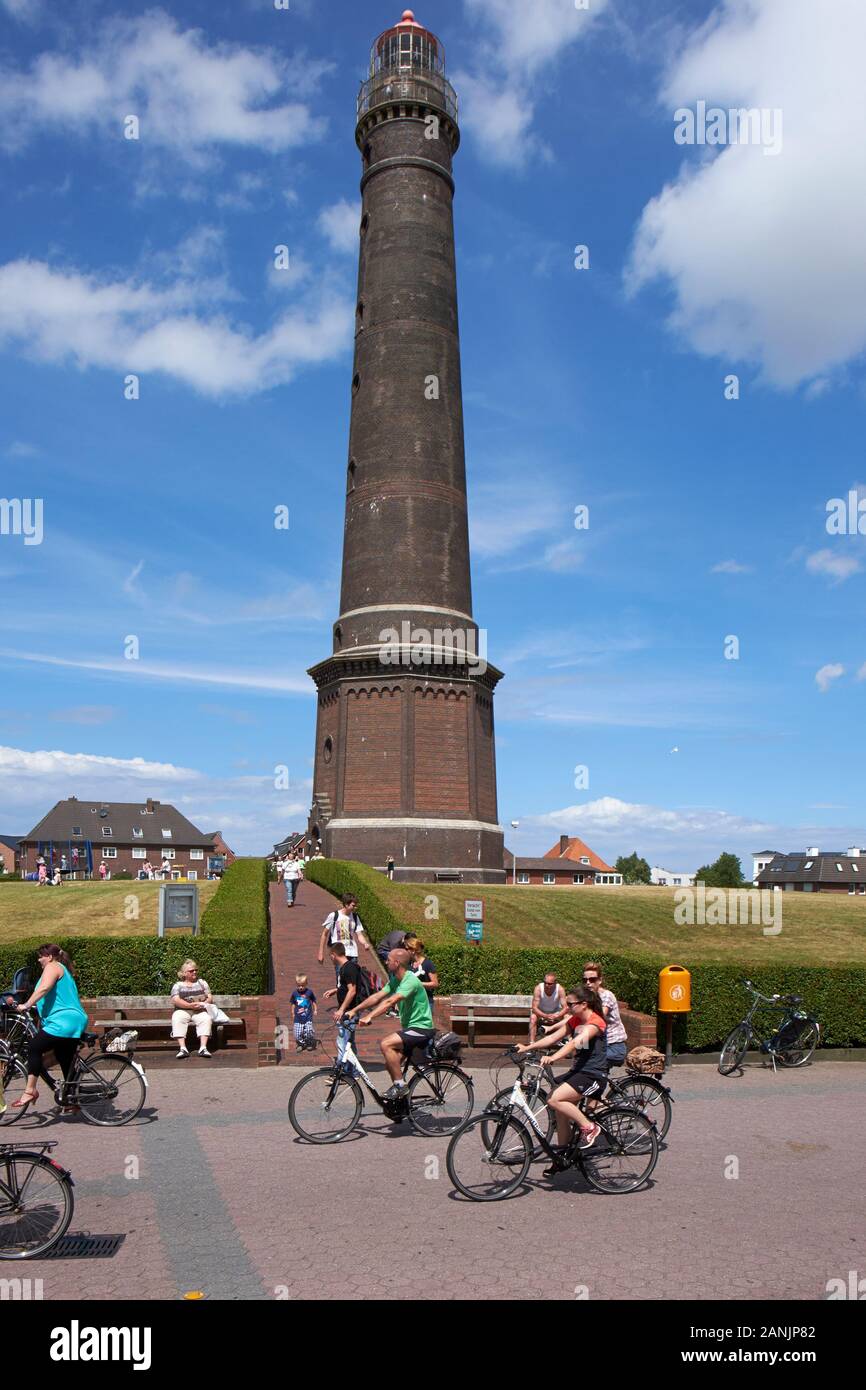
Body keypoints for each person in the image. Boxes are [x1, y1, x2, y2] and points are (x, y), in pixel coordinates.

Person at [516, 985, 607, 1172]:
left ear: (584, 1004)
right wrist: (526, 1047)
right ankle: (563, 1155)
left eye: (570, 1004)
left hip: (594, 1075)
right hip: (579, 1072)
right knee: (558, 1107)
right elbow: (553, 1038)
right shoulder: (575, 1020)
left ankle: (589, 1127)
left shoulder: (595, 1022)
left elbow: (575, 1042)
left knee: (554, 1098)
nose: (567, 1007)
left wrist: (554, 1058)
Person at [346, 947, 434, 1100]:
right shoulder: (396, 979)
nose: (386, 962)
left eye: (388, 960)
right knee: (390, 1064)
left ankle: (400, 1086)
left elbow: (390, 1001)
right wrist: (355, 1010)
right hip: (410, 1029)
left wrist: (370, 1017)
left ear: (397, 962)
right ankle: (402, 1104)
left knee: (386, 1044)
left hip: (421, 1029)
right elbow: (377, 996)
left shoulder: (410, 981)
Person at [11, 944, 89, 1112]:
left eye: (41, 956)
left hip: (63, 1022)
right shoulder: (61, 969)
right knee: (63, 1056)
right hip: (73, 1020)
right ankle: (71, 1099)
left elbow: (44, 988)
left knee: (33, 1048)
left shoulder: (53, 966)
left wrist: (26, 1005)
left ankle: (30, 1091)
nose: (39, 959)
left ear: (50, 957)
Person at [322, 942, 366, 1068]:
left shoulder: (349, 968)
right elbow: (347, 987)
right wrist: (335, 990)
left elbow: (352, 991)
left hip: (350, 1011)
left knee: (343, 1042)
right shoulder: (345, 968)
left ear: (334, 955)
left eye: (330, 955)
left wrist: (341, 1010)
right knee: (349, 1042)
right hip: (348, 1010)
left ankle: (342, 1072)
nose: (330, 958)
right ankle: (353, 1071)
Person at [317, 894, 374, 981]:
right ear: (346, 904)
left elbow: (359, 934)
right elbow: (324, 934)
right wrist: (321, 953)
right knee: (341, 981)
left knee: (353, 981)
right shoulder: (334, 915)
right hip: (339, 954)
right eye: (353, 905)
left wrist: (365, 943)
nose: (355, 908)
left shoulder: (355, 917)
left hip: (353, 954)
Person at [582, 962, 628, 1068]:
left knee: (589, 1065)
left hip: (614, 1046)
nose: (588, 983)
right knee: (580, 1062)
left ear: (600, 980)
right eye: (585, 980)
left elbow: (598, 1018)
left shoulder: (606, 996)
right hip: (599, 1043)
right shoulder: (587, 996)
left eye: (592, 980)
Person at [170, 960, 214, 1059]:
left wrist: (203, 1004)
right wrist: (189, 1006)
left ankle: (203, 1048)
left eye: (195, 970)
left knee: (206, 1019)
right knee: (177, 1018)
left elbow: (210, 997)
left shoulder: (202, 983)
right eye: (191, 971)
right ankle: (183, 1049)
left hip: (199, 1010)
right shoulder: (178, 985)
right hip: (183, 1010)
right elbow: (175, 1000)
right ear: (184, 973)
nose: (194, 972)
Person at [529, 971, 567, 1043]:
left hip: (555, 1012)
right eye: (545, 982)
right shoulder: (538, 988)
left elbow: (565, 1007)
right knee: (533, 1018)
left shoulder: (560, 989)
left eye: (550, 984)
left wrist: (557, 1015)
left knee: (566, 1017)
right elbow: (534, 1007)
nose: (546, 985)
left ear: (555, 983)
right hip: (541, 1011)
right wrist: (545, 1015)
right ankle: (532, 1043)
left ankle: (565, 1040)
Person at [289, 973, 317, 1051]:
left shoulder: (309, 992)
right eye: (298, 986)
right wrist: (292, 1012)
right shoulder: (295, 993)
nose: (300, 987)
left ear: (306, 984)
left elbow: (313, 1001)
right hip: (298, 1018)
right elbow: (293, 1003)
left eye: (302, 985)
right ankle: (301, 1043)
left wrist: (315, 1009)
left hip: (308, 1016)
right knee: (297, 1033)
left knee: (309, 1030)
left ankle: (309, 1042)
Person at [410, 939, 438, 1013]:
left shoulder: (428, 964)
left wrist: (419, 984)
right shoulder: (409, 964)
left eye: (406, 948)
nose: (404, 951)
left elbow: (435, 983)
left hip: (425, 1002)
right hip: (410, 1003)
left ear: (413, 950)